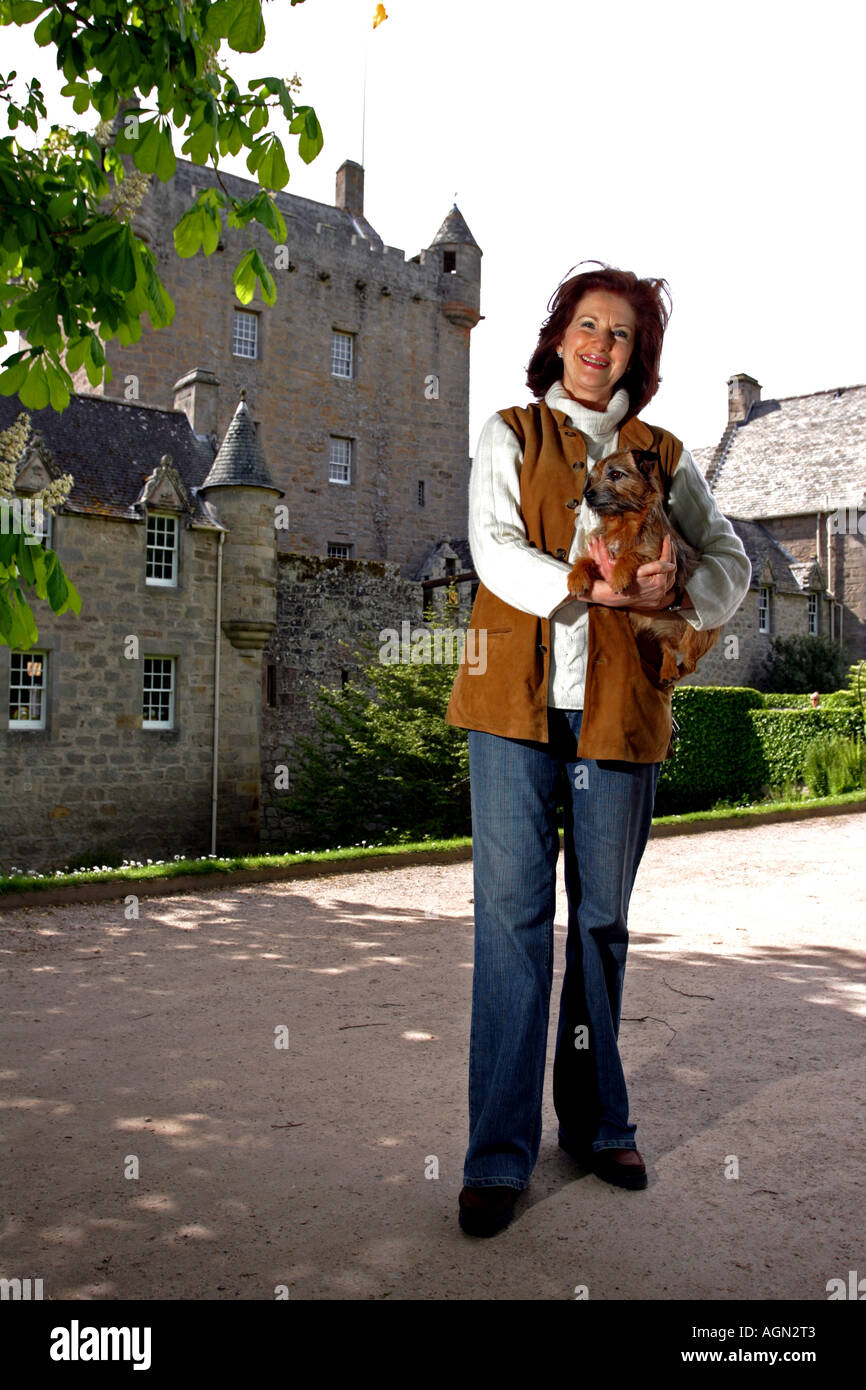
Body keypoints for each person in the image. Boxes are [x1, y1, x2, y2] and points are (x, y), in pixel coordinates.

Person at [445, 264, 752, 1238]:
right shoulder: (509, 433)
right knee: (511, 928)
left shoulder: (664, 452)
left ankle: (592, 1122)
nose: (598, 345)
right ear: (558, 333)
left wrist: (676, 593)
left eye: (620, 334)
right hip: (510, 707)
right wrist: (592, 591)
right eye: (586, 324)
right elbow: (493, 550)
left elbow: (733, 563)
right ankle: (497, 1155)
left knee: (602, 926)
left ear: (637, 355)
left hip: (622, 713)